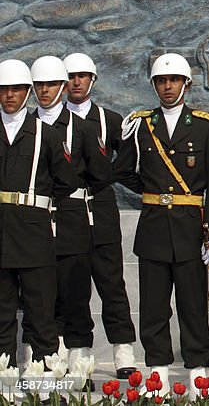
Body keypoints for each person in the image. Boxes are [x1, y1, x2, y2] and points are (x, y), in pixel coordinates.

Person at [112, 54, 209, 396]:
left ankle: (197, 377)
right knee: (154, 307)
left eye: (174, 80)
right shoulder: (143, 125)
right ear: (154, 85)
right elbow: (122, 170)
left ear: (186, 84)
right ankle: (157, 375)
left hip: (191, 229)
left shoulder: (204, 124)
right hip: (154, 230)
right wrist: (151, 189)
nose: (168, 86)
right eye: (161, 81)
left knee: (192, 305)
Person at [29, 56, 112, 383]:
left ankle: (79, 367)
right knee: (42, 300)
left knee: (75, 297)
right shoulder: (26, 126)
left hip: (72, 219)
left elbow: (101, 175)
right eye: (38, 86)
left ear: (64, 88)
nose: (44, 91)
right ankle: (46, 367)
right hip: (33, 223)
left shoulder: (85, 129)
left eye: (50, 85)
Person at [63, 52, 137, 379]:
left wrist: (105, 174)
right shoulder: (49, 119)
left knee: (111, 283)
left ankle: (123, 349)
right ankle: (79, 352)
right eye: (70, 76)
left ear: (93, 80)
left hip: (102, 209)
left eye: (82, 76)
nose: (76, 82)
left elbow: (128, 160)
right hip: (67, 210)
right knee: (73, 286)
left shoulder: (109, 119)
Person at [0, 59, 75, 371]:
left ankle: (45, 386)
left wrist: (36, 203)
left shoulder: (46, 134)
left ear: (28, 93)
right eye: (4, 89)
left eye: (16, 89)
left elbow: (67, 181)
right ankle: (4, 384)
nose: (9, 95)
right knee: (2, 316)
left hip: (34, 234)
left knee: (41, 314)